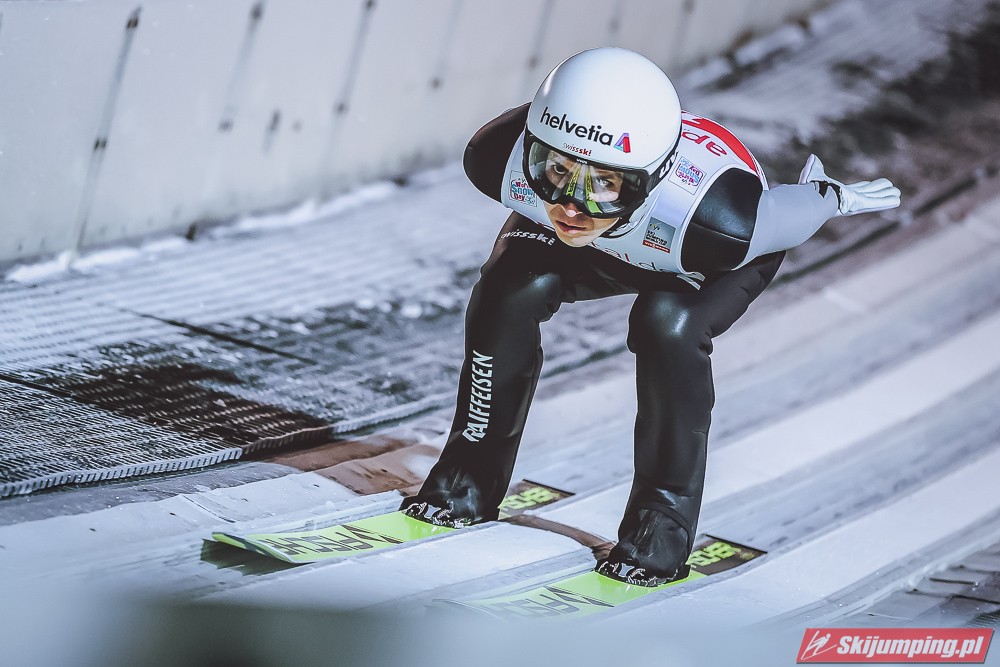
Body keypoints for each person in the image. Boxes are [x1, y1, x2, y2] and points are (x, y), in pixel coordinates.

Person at [401, 47, 900, 586]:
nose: (571, 207)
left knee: (668, 324)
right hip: (635, 233)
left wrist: (827, 196)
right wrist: (592, 188)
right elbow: (565, 169)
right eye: (556, 172)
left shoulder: (722, 223)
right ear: (534, 148)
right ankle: (468, 476)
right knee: (509, 289)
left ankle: (662, 521)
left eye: (604, 184)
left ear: (652, 177)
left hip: (692, 250)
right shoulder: (498, 155)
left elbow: (787, 214)